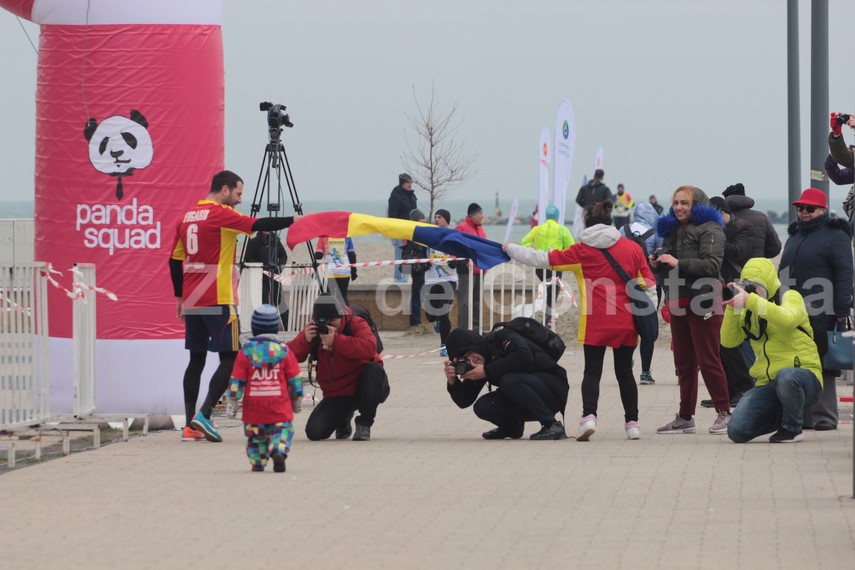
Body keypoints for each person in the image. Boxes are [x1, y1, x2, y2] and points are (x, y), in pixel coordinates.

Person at [506, 200, 654, 441]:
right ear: (611, 223)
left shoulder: (581, 251)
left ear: (586, 223)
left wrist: (510, 248)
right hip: (626, 321)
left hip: (595, 321)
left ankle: (589, 417)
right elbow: (649, 283)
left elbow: (543, 258)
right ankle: (632, 424)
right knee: (625, 372)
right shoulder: (632, 249)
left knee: (592, 371)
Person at [169, 170, 298, 442]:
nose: (239, 200)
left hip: (193, 297)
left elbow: (173, 261)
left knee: (196, 360)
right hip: (218, 296)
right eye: (238, 193)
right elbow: (259, 223)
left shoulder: (186, 217)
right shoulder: (220, 214)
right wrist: (295, 220)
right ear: (224, 190)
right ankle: (204, 416)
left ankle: (190, 424)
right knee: (231, 357)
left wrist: (180, 298)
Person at [652, 185, 732, 435]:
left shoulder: (711, 228)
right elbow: (670, 269)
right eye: (676, 202)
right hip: (679, 300)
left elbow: (712, 265)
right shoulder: (672, 229)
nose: (678, 207)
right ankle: (686, 417)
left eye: (684, 203)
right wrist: (658, 263)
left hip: (705, 300)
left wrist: (678, 262)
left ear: (696, 204)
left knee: (708, 359)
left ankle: (725, 412)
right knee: (684, 362)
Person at [723, 259, 823, 443]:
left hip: (804, 377)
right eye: (749, 287)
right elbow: (728, 342)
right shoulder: (749, 309)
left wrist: (752, 301)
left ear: (769, 283)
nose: (754, 292)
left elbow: (788, 319)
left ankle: (792, 428)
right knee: (736, 431)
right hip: (768, 383)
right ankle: (784, 415)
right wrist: (733, 308)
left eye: (757, 287)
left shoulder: (789, 296)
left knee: (787, 377)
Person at [778, 188, 853, 431]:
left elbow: (844, 273)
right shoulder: (795, 236)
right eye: (800, 208)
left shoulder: (835, 235)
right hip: (793, 311)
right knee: (798, 361)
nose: (804, 212)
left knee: (824, 362)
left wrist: (842, 309)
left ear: (822, 209)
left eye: (809, 208)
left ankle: (825, 417)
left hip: (823, 310)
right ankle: (804, 416)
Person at [286, 292, 389, 441]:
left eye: (333, 320)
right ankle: (343, 418)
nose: (329, 325)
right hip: (337, 393)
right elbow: (288, 356)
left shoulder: (355, 323)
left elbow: (369, 347)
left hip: (364, 387)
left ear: (341, 316)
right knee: (314, 432)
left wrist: (337, 341)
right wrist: (304, 340)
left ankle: (364, 424)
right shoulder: (315, 329)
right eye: (324, 321)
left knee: (374, 369)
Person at [443, 327, 569, 440]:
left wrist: (487, 371)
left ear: (476, 344)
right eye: (465, 358)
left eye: (470, 352)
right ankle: (512, 428)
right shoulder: (479, 362)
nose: (471, 359)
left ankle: (551, 424)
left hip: (553, 387)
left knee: (508, 380)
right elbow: (464, 401)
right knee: (482, 406)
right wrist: (453, 382)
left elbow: (525, 356)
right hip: (528, 395)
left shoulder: (502, 336)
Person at [225, 304, 304, 472]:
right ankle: (279, 450)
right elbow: (295, 379)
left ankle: (258, 461)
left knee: (255, 438)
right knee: (282, 430)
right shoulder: (284, 351)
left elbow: (236, 380)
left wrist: (232, 403)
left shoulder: (245, 352)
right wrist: (296, 401)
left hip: (254, 410)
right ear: (275, 328)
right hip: (279, 408)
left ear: (253, 328)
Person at [699, 197, 755, 409]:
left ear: (723, 212)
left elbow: (738, 252)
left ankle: (744, 387)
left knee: (735, 342)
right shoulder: (712, 231)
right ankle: (726, 391)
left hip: (738, 289)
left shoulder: (743, 227)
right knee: (719, 343)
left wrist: (715, 236)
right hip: (716, 288)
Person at [621, 200, 663, 385]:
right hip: (649, 285)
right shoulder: (656, 233)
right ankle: (645, 372)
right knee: (648, 327)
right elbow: (661, 257)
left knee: (630, 326)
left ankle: (627, 362)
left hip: (626, 285)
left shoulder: (623, 230)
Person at [520, 203, 575, 323]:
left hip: (539, 266)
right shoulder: (562, 230)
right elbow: (572, 247)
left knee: (550, 289)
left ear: (546, 216)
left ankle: (549, 316)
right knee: (554, 289)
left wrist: (531, 252)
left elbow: (524, 242)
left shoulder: (537, 229)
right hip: (555, 265)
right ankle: (548, 318)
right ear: (557, 217)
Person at [425, 209, 458, 356]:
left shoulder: (452, 236)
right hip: (431, 278)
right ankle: (435, 320)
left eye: (440, 217)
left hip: (449, 279)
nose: (436, 219)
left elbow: (459, 252)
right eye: (435, 217)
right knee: (431, 315)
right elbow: (423, 251)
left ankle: (444, 345)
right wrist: (423, 262)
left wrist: (454, 262)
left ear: (446, 220)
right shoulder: (430, 235)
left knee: (443, 312)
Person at [722, 183, 781, 259]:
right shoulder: (762, 218)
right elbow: (775, 248)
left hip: (729, 270)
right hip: (756, 268)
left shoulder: (722, 221)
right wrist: (760, 256)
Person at [455, 203, 487, 331]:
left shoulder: (481, 229)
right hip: (467, 270)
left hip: (480, 269)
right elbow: (454, 245)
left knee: (477, 302)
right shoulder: (462, 227)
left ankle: (476, 329)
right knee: (465, 303)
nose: (482, 216)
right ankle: (464, 330)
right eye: (480, 213)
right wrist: (461, 261)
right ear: (473, 215)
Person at [244, 230, 288, 308]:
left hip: (274, 275)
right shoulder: (253, 242)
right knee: (263, 301)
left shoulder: (276, 241)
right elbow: (248, 258)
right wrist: (261, 268)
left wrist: (279, 268)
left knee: (280, 301)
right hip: (261, 277)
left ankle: (285, 320)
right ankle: (265, 319)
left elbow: (283, 256)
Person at [402, 209, 429, 330]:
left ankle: (417, 321)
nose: (423, 223)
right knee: (417, 294)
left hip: (419, 266)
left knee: (419, 294)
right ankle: (415, 322)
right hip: (417, 267)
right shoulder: (412, 233)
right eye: (420, 221)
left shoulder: (417, 232)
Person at [387, 173, 417, 283]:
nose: (410, 185)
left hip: (410, 231)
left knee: (408, 256)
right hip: (399, 232)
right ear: (402, 183)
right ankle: (398, 280)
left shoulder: (412, 196)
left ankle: (405, 279)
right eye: (408, 183)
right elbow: (392, 217)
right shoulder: (395, 197)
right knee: (400, 256)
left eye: (411, 182)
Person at [315, 236, 357, 306]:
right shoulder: (346, 236)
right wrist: (353, 271)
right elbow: (351, 255)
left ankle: (330, 315)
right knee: (343, 295)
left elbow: (319, 255)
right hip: (344, 270)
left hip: (329, 272)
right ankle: (346, 315)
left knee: (328, 296)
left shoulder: (323, 236)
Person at [575, 169, 611, 238]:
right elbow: (609, 201)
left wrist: (586, 206)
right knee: (598, 233)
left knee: (587, 232)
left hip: (587, 213)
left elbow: (578, 199)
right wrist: (601, 207)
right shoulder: (605, 189)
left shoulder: (584, 188)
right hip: (599, 214)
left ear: (594, 176)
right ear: (602, 177)